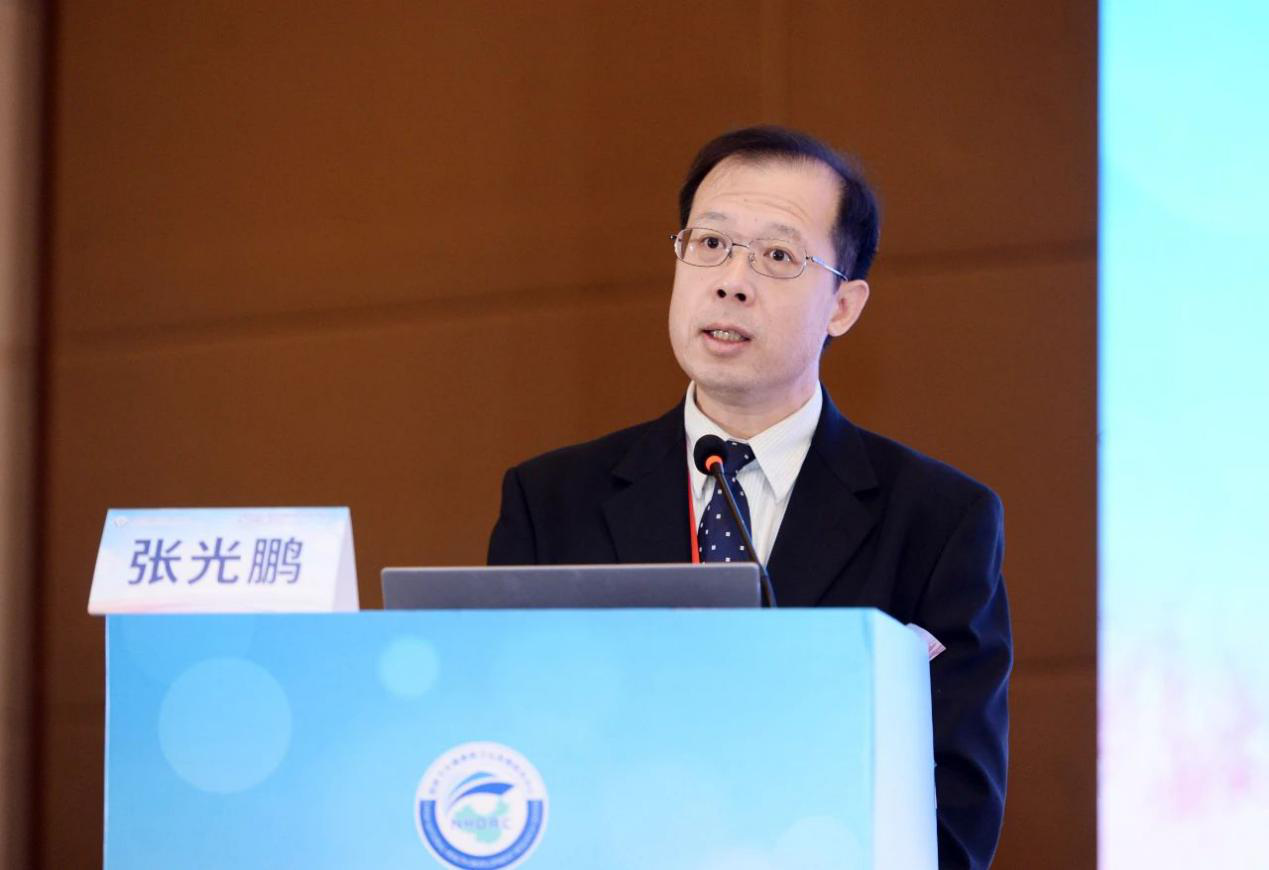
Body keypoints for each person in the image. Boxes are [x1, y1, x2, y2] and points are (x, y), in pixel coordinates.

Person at [487, 126, 1010, 870]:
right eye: (710, 244)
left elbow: (955, 819)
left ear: (842, 306)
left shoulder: (938, 521)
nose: (731, 281)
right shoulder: (550, 501)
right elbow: (505, 755)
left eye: (777, 256)